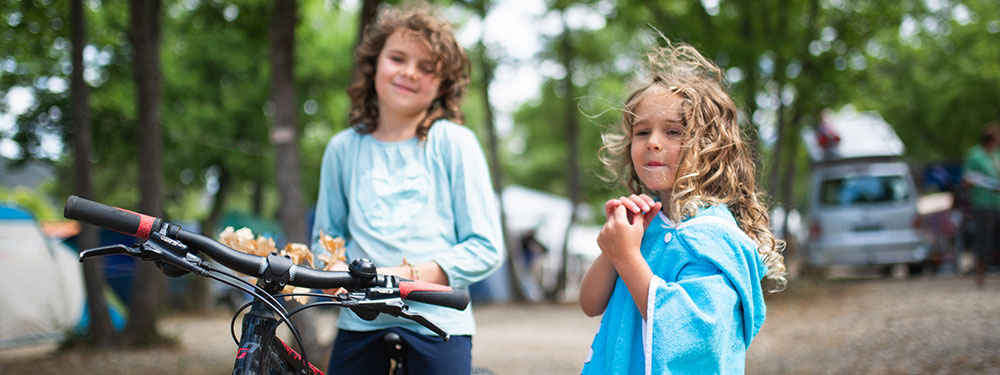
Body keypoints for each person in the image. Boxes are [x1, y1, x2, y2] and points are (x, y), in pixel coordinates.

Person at [309, 3, 504, 374]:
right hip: (359, 319)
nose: (409, 72)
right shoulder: (342, 148)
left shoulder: (455, 143)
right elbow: (326, 235)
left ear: (442, 83)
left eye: (427, 67)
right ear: (374, 65)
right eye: (398, 58)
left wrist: (401, 275)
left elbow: (485, 245)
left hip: (439, 322)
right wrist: (331, 266)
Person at [578, 38, 787, 374]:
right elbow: (590, 304)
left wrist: (627, 257)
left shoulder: (714, 238)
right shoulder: (647, 224)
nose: (654, 143)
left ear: (711, 147)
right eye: (642, 132)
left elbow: (693, 333)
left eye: (674, 131)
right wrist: (613, 249)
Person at [961, 122, 1000, 287]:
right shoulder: (975, 155)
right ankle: (980, 274)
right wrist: (982, 182)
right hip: (983, 203)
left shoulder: (997, 154)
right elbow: (966, 180)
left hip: (997, 202)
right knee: (983, 240)